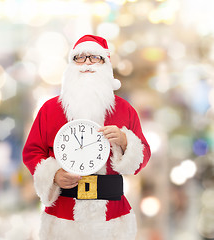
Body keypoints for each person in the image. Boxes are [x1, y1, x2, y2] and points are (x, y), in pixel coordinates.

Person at [22, 35, 151, 240]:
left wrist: (125, 141)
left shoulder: (125, 110)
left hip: (112, 216)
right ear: (71, 65)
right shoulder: (50, 110)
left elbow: (143, 155)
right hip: (63, 216)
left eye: (95, 57)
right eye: (80, 58)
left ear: (106, 65)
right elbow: (32, 151)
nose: (88, 63)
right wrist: (54, 175)